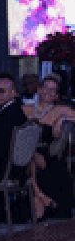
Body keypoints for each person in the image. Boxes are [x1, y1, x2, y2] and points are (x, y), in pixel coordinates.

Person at [22, 75, 75, 220]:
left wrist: (62, 119)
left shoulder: (60, 110)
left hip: (46, 155)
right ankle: (40, 195)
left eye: (53, 90)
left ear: (57, 95)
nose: (48, 92)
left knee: (33, 155)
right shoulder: (26, 109)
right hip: (23, 154)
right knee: (30, 154)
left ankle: (39, 195)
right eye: (45, 88)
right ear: (39, 89)